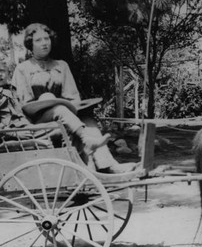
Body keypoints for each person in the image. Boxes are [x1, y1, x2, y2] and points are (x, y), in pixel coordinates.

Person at [12, 22, 128, 174]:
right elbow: (24, 105)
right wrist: (48, 103)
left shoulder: (61, 66)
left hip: (65, 114)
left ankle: (107, 166)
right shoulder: (23, 69)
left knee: (89, 121)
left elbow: (72, 97)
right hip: (38, 120)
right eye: (38, 40)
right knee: (59, 109)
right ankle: (86, 154)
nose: (44, 43)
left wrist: (69, 106)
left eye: (47, 39)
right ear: (30, 44)